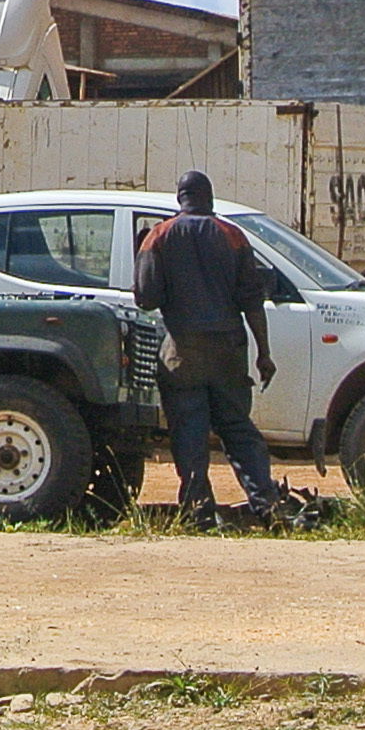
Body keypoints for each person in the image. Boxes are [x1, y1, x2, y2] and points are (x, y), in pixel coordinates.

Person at [130, 170, 282, 524]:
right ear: (209, 198)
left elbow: (146, 300)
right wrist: (264, 353)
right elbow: (252, 301)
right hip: (229, 350)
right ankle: (267, 504)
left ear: (180, 198)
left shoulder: (159, 236)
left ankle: (198, 509)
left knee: (189, 431)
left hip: (183, 352)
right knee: (238, 429)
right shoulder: (233, 236)